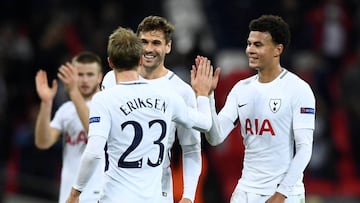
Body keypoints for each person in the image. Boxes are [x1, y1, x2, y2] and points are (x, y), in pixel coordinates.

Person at [65, 26, 213, 203]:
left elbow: (94, 152)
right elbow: (205, 124)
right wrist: (203, 95)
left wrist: (75, 193)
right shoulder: (167, 96)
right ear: (141, 60)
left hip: (115, 197)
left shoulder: (103, 99)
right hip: (155, 198)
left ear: (110, 62)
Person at [200, 15, 316, 203]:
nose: (250, 50)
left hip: (285, 193)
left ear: (278, 50)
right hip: (246, 191)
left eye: (258, 45)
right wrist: (208, 97)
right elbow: (215, 137)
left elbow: (304, 148)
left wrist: (281, 194)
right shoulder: (241, 89)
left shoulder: (298, 89)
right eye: (249, 44)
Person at [101, 16, 202, 203]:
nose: (148, 49)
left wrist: (188, 196)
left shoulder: (181, 91)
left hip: (158, 192)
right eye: (144, 42)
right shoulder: (111, 79)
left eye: (156, 43)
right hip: (115, 189)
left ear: (168, 46)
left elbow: (191, 149)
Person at [34, 51, 104, 203]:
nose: (84, 80)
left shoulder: (106, 105)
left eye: (90, 74)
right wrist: (46, 103)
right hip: (68, 196)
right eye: (79, 74)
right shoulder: (67, 109)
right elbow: (43, 142)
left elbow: (94, 130)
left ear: (99, 77)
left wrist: (73, 92)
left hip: (98, 195)